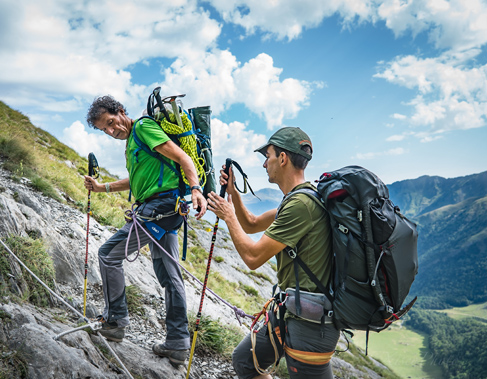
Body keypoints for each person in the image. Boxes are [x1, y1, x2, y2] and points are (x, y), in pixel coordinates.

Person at [83, 95, 207, 365]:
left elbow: (183, 157)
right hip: (168, 212)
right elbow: (137, 179)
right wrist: (102, 187)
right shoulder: (133, 142)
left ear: (120, 111)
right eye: (105, 129)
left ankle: (115, 322)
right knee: (169, 274)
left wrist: (196, 188)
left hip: (159, 209)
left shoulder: (142, 128)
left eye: (111, 122)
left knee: (108, 254)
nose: (111, 130)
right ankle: (177, 342)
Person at [207, 127, 339, 379]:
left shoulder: (301, 205)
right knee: (246, 360)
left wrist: (227, 215)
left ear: (283, 158)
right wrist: (233, 194)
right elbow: (252, 224)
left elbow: (253, 258)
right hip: (289, 312)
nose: (264, 163)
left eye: (267, 155)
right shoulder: (296, 199)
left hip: (311, 324)